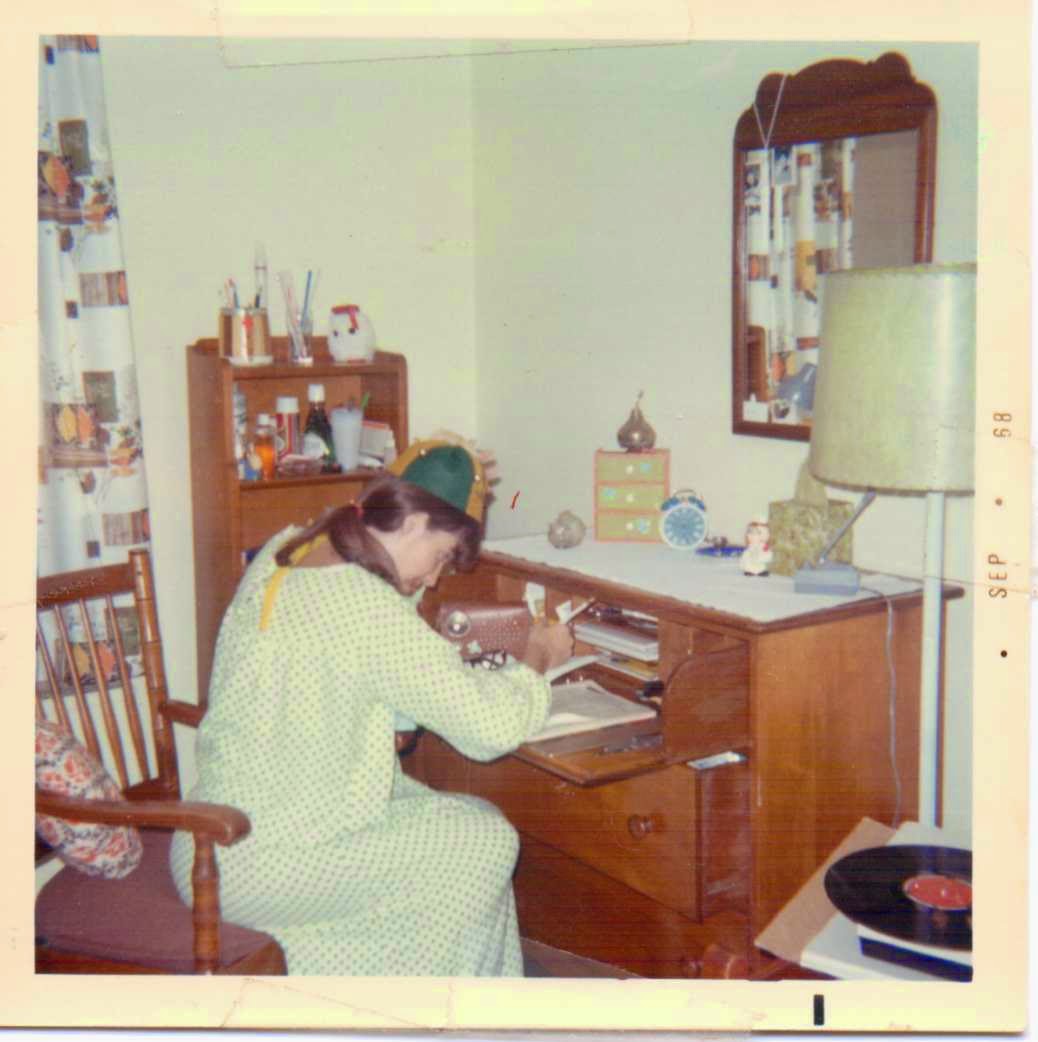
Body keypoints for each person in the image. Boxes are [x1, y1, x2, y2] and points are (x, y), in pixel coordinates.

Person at [170, 438, 573, 976]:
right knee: (485, 844)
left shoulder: (290, 547)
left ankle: (448, 989)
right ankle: (438, 1002)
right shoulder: (366, 608)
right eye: (441, 556)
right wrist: (537, 658)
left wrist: (447, 468)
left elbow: (359, 644)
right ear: (413, 523)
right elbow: (492, 728)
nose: (435, 578)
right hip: (263, 863)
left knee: (467, 818)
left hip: (210, 836)